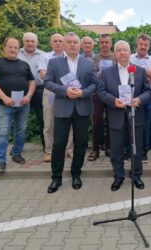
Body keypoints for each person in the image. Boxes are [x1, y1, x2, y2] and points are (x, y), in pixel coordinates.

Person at [44, 32, 98, 193]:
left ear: (80, 45)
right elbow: (47, 82)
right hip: (62, 108)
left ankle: (76, 174)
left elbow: (95, 84)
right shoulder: (54, 62)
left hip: (82, 108)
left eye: (75, 42)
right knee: (59, 144)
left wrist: (83, 93)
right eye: (69, 42)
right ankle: (56, 178)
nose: (73, 44)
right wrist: (64, 90)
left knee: (80, 144)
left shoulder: (88, 64)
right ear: (64, 45)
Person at [97, 40, 151, 191]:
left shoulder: (139, 71)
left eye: (125, 50)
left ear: (130, 52)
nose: (122, 53)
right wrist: (114, 101)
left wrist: (139, 99)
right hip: (116, 115)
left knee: (136, 148)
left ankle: (136, 176)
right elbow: (101, 92)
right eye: (119, 50)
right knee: (116, 149)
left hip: (136, 115)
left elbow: (148, 91)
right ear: (115, 54)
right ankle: (118, 177)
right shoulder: (107, 72)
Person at [0, 37, 36, 172]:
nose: (13, 50)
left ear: (19, 49)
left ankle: (17, 154)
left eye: (16, 47)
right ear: (4, 47)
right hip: (3, 105)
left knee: (21, 131)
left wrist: (28, 96)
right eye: (10, 47)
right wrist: (4, 98)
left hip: (22, 105)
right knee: (3, 133)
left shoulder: (24, 64)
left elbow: (32, 82)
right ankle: (0, 161)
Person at [39, 33, 74, 162]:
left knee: (70, 120)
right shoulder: (45, 56)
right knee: (48, 122)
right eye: (55, 41)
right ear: (51, 43)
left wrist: (54, 76)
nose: (58, 43)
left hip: (69, 92)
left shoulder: (70, 56)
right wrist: (61, 81)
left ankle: (69, 149)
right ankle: (49, 151)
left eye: (60, 41)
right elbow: (43, 75)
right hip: (51, 93)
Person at [129, 34, 151, 162]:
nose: (143, 47)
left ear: (149, 46)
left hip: (148, 96)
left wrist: (141, 71)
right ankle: (129, 150)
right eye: (141, 44)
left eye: (146, 45)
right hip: (131, 96)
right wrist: (147, 75)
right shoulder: (129, 57)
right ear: (137, 44)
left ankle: (144, 151)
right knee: (130, 124)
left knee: (146, 124)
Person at [87, 34, 115, 161]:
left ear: (111, 44)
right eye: (102, 42)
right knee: (96, 122)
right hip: (97, 94)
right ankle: (95, 149)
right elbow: (90, 76)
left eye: (106, 42)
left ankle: (109, 147)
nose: (104, 44)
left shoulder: (116, 57)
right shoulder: (94, 58)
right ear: (100, 44)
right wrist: (97, 75)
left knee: (111, 121)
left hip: (112, 94)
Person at [18, 32, 45, 150]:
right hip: (21, 91)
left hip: (40, 90)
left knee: (43, 119)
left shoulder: (43, 55)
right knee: (19, 119)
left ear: (37, 42)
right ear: (23, 41)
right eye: (27, 41)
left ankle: (47, 147)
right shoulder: (16, 54)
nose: (30, 43)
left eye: (32, 41)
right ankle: (17, 148)